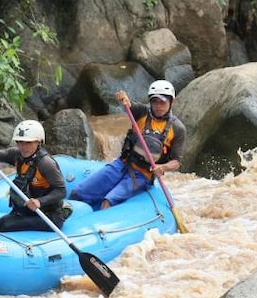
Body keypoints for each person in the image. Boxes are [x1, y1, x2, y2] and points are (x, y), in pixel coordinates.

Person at [69, 79, 186, 209]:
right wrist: (123, 98)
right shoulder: (142, 112)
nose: (158, 106)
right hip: (122, 163)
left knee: (108, 201)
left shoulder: (177, 128)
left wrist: (163, 167)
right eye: (155, 102)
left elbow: (176, 162)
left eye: (162, 102)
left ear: (171, 102)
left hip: (142, 174)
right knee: (79, 193)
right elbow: (129, 105)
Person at [0, 120, 67, 232]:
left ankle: (64, 212)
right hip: (27, 211)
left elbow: (61, 191)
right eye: (19, 142)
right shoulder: (16, 155)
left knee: (3, 226)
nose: (23, 147)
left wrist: (40, 201)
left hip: (49, 216)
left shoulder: (46, 163)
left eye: (28, 143)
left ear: (39, 142)